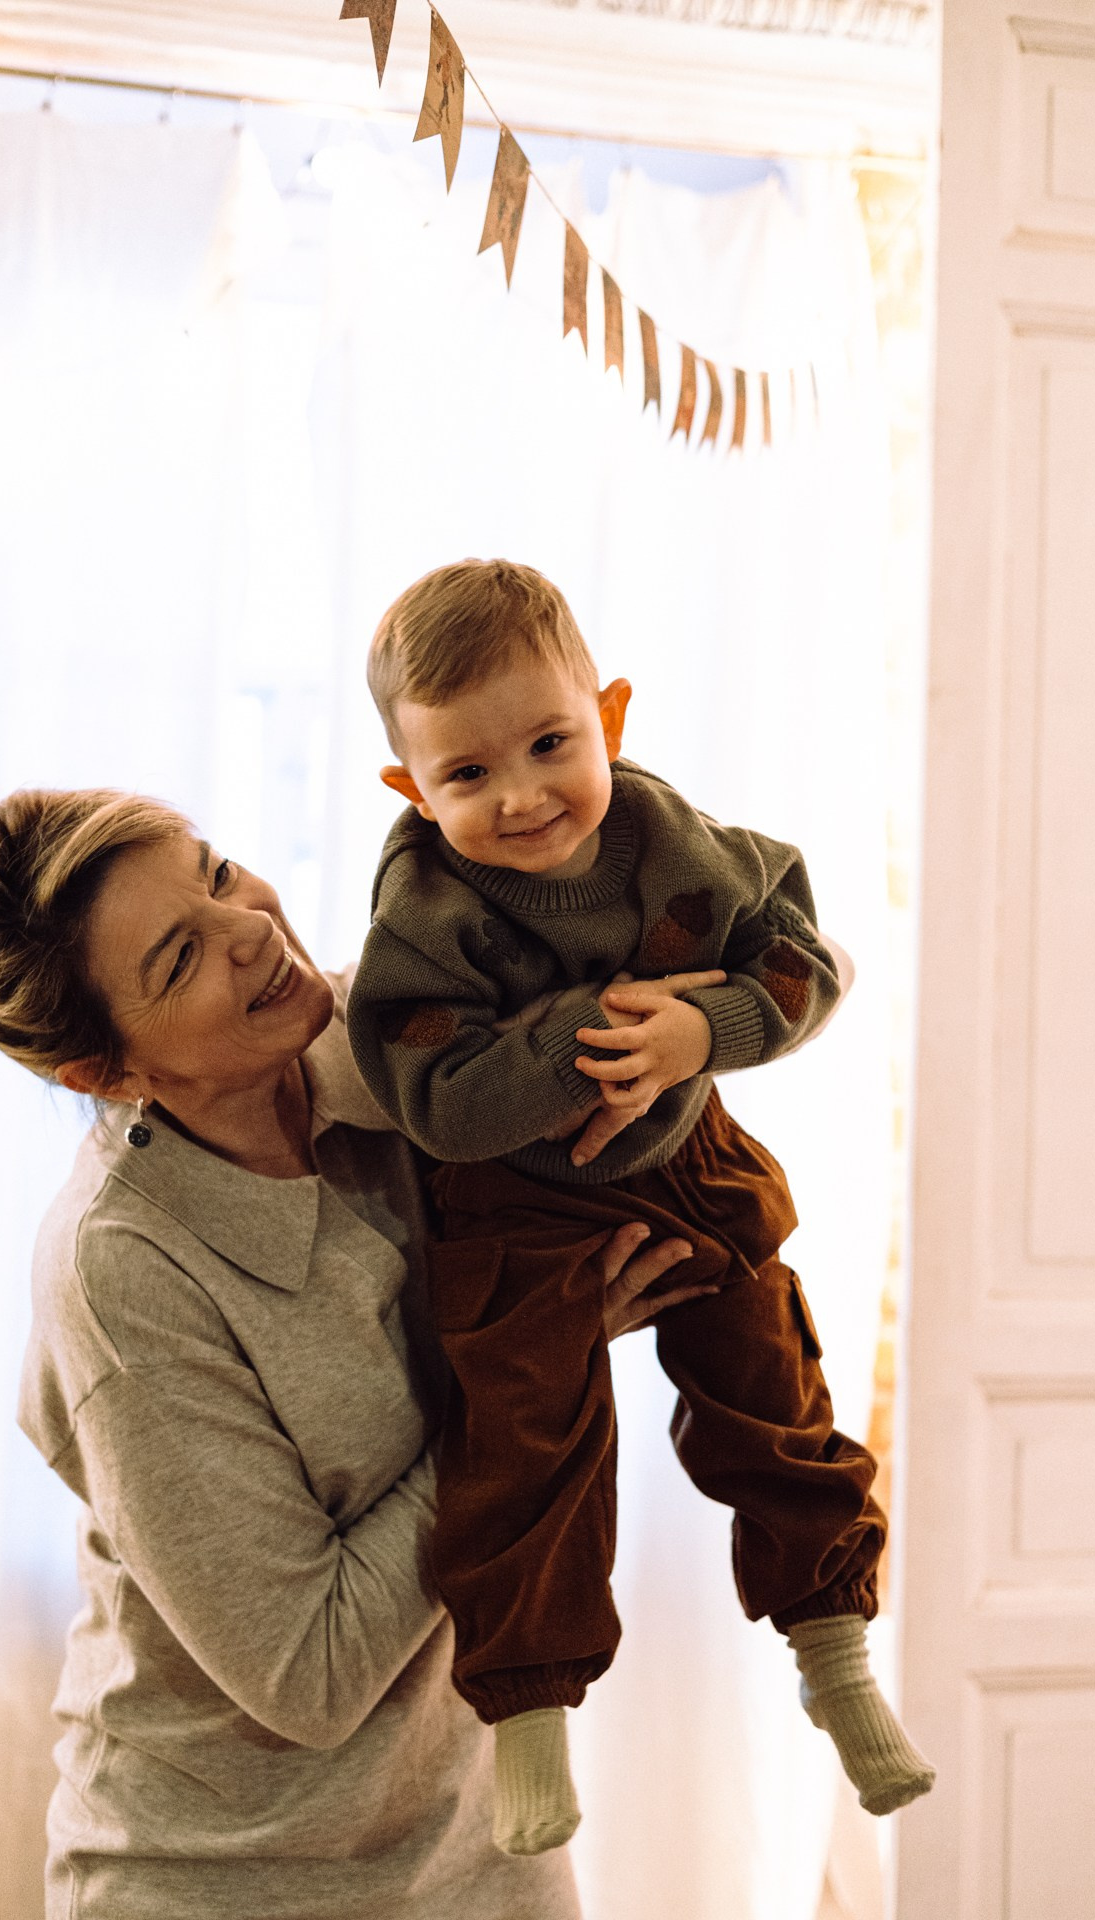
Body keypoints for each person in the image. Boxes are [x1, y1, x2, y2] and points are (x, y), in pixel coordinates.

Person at [0, 786, 713, 1920]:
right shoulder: (121, 1272)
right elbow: (311, 1673)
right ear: (104, 1073)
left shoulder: (394, 1046)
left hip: (485, 1847)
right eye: (180, 958)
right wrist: (532, 1366)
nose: (249, 930)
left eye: (217, 873)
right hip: (225, 1880)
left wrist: (673, 1029)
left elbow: (756, 964)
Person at [346, 559, 936, 1856]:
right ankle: (529, 1716)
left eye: (550, 745)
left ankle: (833, 1658)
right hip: (516, 1203)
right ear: (412, 789)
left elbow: (802, 958)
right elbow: (437, 1099)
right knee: (527, 1448)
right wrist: (591, 1037)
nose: (521, 795)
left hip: (683, 1157)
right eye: (467, 774)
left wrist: (704, 1031)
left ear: (606, 717)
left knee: (772, 1391)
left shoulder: (673, 842)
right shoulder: (428, 909)